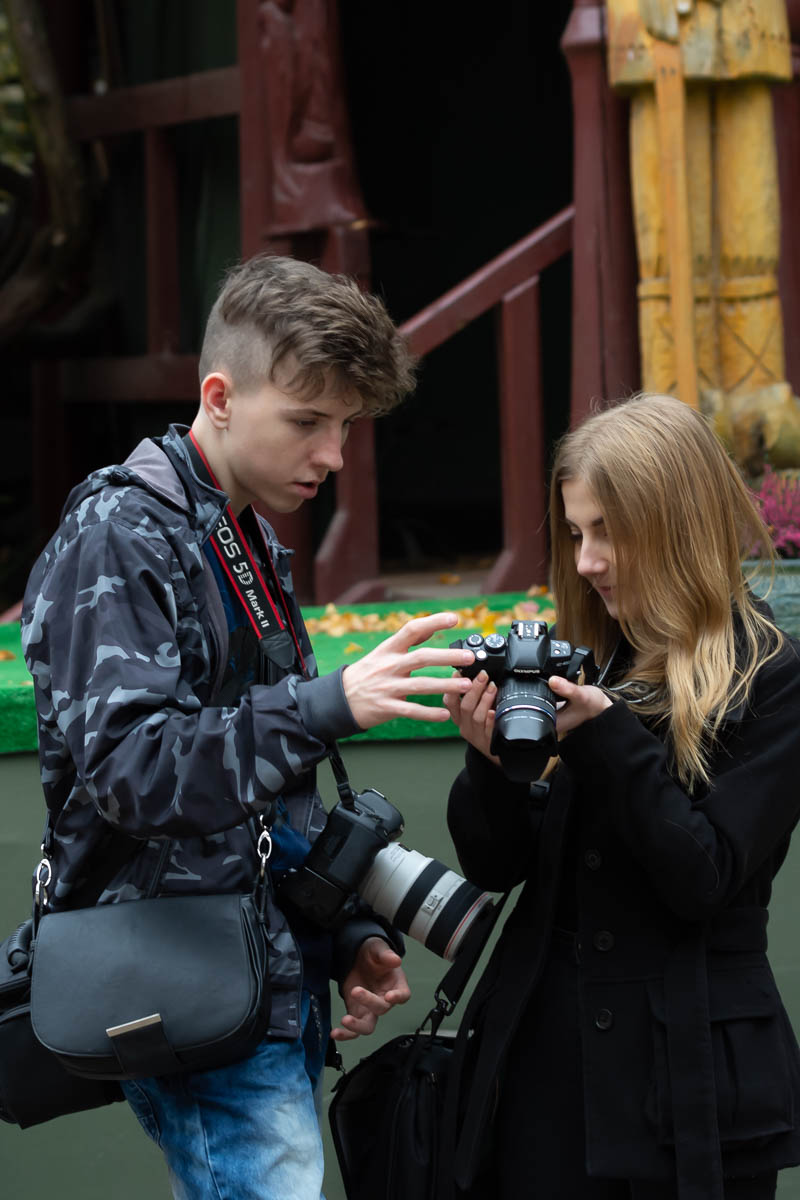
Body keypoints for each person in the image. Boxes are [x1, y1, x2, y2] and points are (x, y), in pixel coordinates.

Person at [20, 253, 476, 1200]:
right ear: (219, 398)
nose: (333, 455)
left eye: (346, 426)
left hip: (257, 979)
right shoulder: (120, 530)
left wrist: (347, 932)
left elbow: (264, 794)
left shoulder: (244, 533)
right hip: (185, 980)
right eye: (308, 422)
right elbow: (133, 772)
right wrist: (327, 703)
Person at [442, 393, 800, 1200]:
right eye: (576, 534)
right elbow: (497, 866)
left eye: (607, 531)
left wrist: (605, 734)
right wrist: (491, 761)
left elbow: (705, 878)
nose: (587, 561)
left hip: (689, 1087)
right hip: (544, 1072)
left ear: (676, 527)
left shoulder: (772, 677)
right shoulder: (591, 659)